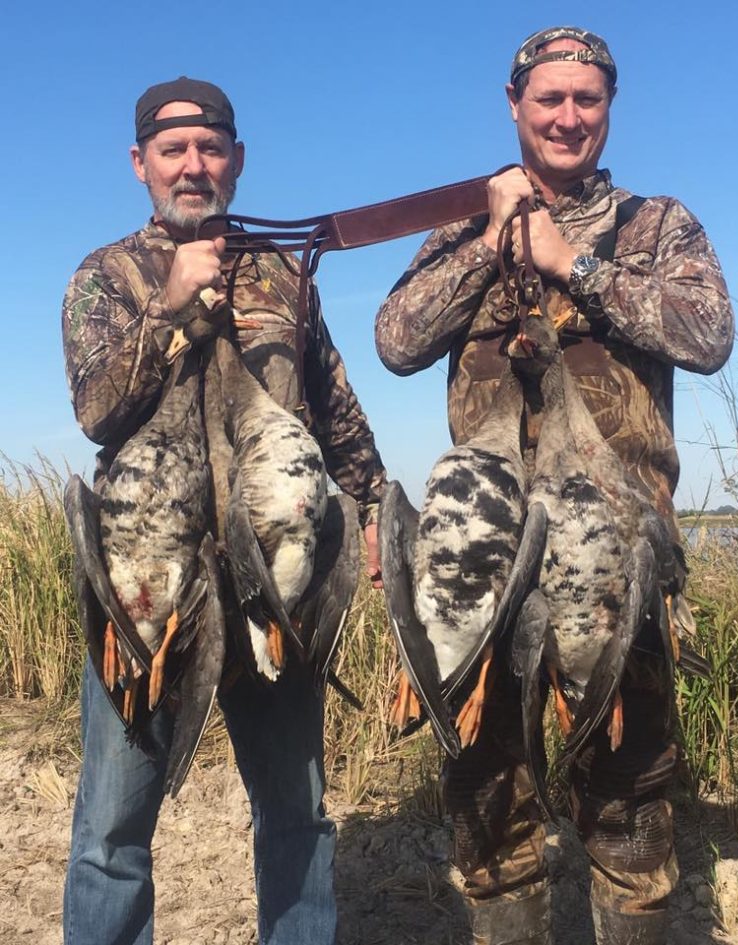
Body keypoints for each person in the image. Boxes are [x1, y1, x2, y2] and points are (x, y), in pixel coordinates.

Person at [374, 26, 733, 945]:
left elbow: (706, 334)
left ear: (609, 108)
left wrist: (572, 263)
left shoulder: (658, 225)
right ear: (514, 103)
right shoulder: (465, 227)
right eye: (550, 98)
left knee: (629, 808)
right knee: (490, 808)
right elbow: (397, 340)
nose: (569, 117)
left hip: (620, 558)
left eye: (588, 99)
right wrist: (496, 236)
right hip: (481, 559)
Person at [62, 76, 386, 945]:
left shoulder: (282, 273)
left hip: (273, 587)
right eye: (174, 150)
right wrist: (169, 303)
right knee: (110, 831)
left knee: (297, 812)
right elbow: (95, 410)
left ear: (237, 161)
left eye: (211, 149)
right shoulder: (108, 274)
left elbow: (333, 402)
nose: (193, 166)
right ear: (141, 164)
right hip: (148, 594)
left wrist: (376, 503)